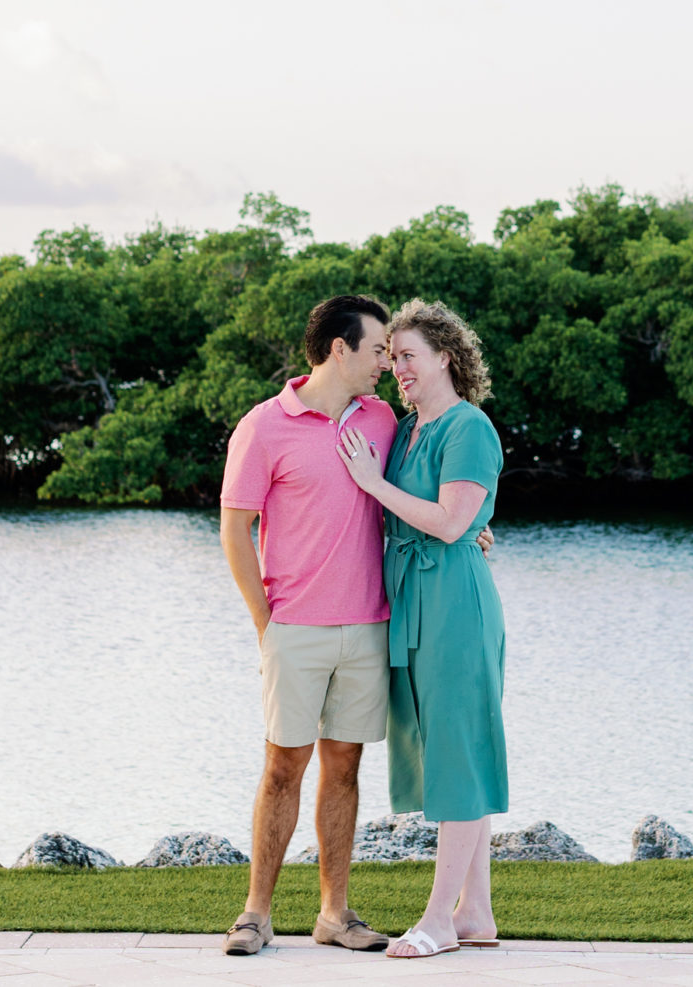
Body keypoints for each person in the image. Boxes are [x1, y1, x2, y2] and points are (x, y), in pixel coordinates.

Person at [218, 294, 401, 957]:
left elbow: (423, 487)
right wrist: (266, 623)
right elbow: (235, 528)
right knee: (281, 769)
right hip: (294, 629)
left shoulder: (382, 420)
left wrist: (475, 524)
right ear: (339, 348)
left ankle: (334, 913)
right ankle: (255, 915)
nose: (386, 361)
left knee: (344, 769)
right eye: (378, 348)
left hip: (368, 626)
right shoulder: (264, 425)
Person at [338, 297, 508, 960]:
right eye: (392, 356)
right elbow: (456, 519)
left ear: (445, 356)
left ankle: (439, 918)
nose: (397, 367)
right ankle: (477, 914)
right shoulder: (409, 429)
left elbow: (445, 521)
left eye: (408, 355)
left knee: (458, 755)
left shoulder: (468, 426)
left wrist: (372, 484)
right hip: (415, 601)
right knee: (448, 749)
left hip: (455, 608)